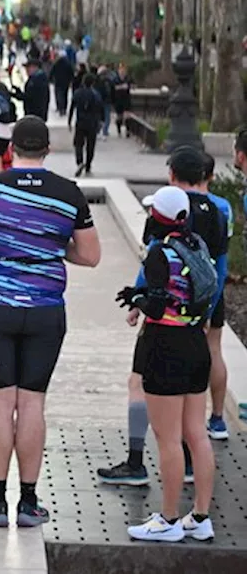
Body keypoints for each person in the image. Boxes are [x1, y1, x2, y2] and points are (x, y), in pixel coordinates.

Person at [0, 117, 100, 529]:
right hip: (46, 310)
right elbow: (91, 255)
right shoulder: (68, 192)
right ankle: (30, 502)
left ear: (11, 148)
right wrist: (52, 249)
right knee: (33, 402)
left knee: (2, 402)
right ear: (48, 150)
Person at [97, 148, 227, 485]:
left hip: (164, 321)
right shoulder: (217, 209)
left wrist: (138, 302)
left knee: (138, 383)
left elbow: (154, 266)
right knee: (191, 401)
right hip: (199, 313)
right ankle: (191, 469)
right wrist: (206, 308)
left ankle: (136, 460)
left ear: (172, 174)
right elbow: (219, 266)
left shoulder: (166, 210)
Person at [117, 187, 216, 542]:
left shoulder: (160, 253)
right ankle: (200, 517)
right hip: (195, 342)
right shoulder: (197, 245)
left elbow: (158, 306)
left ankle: (169, 520)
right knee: (196, 434)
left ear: (157, 216)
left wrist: (138, 298)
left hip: (166, 347)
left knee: (168, 439)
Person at [201, 154, 234, 440]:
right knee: (214, 350)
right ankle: (218, 418)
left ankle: (189, 420)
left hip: (183, 291)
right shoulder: (223, 207)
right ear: (211, 176)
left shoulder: (176, 205)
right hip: (215, 286)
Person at [67, 73, 104, 177]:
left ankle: (79, 161)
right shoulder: (96, 94)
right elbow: (101, 109)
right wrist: (102, 121)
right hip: (92, 123)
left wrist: (69, 121)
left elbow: (72, 107)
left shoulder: (77, 93)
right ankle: (88, 165)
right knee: (90, 145)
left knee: (78, 144)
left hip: (81, 122)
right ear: (92, 83)